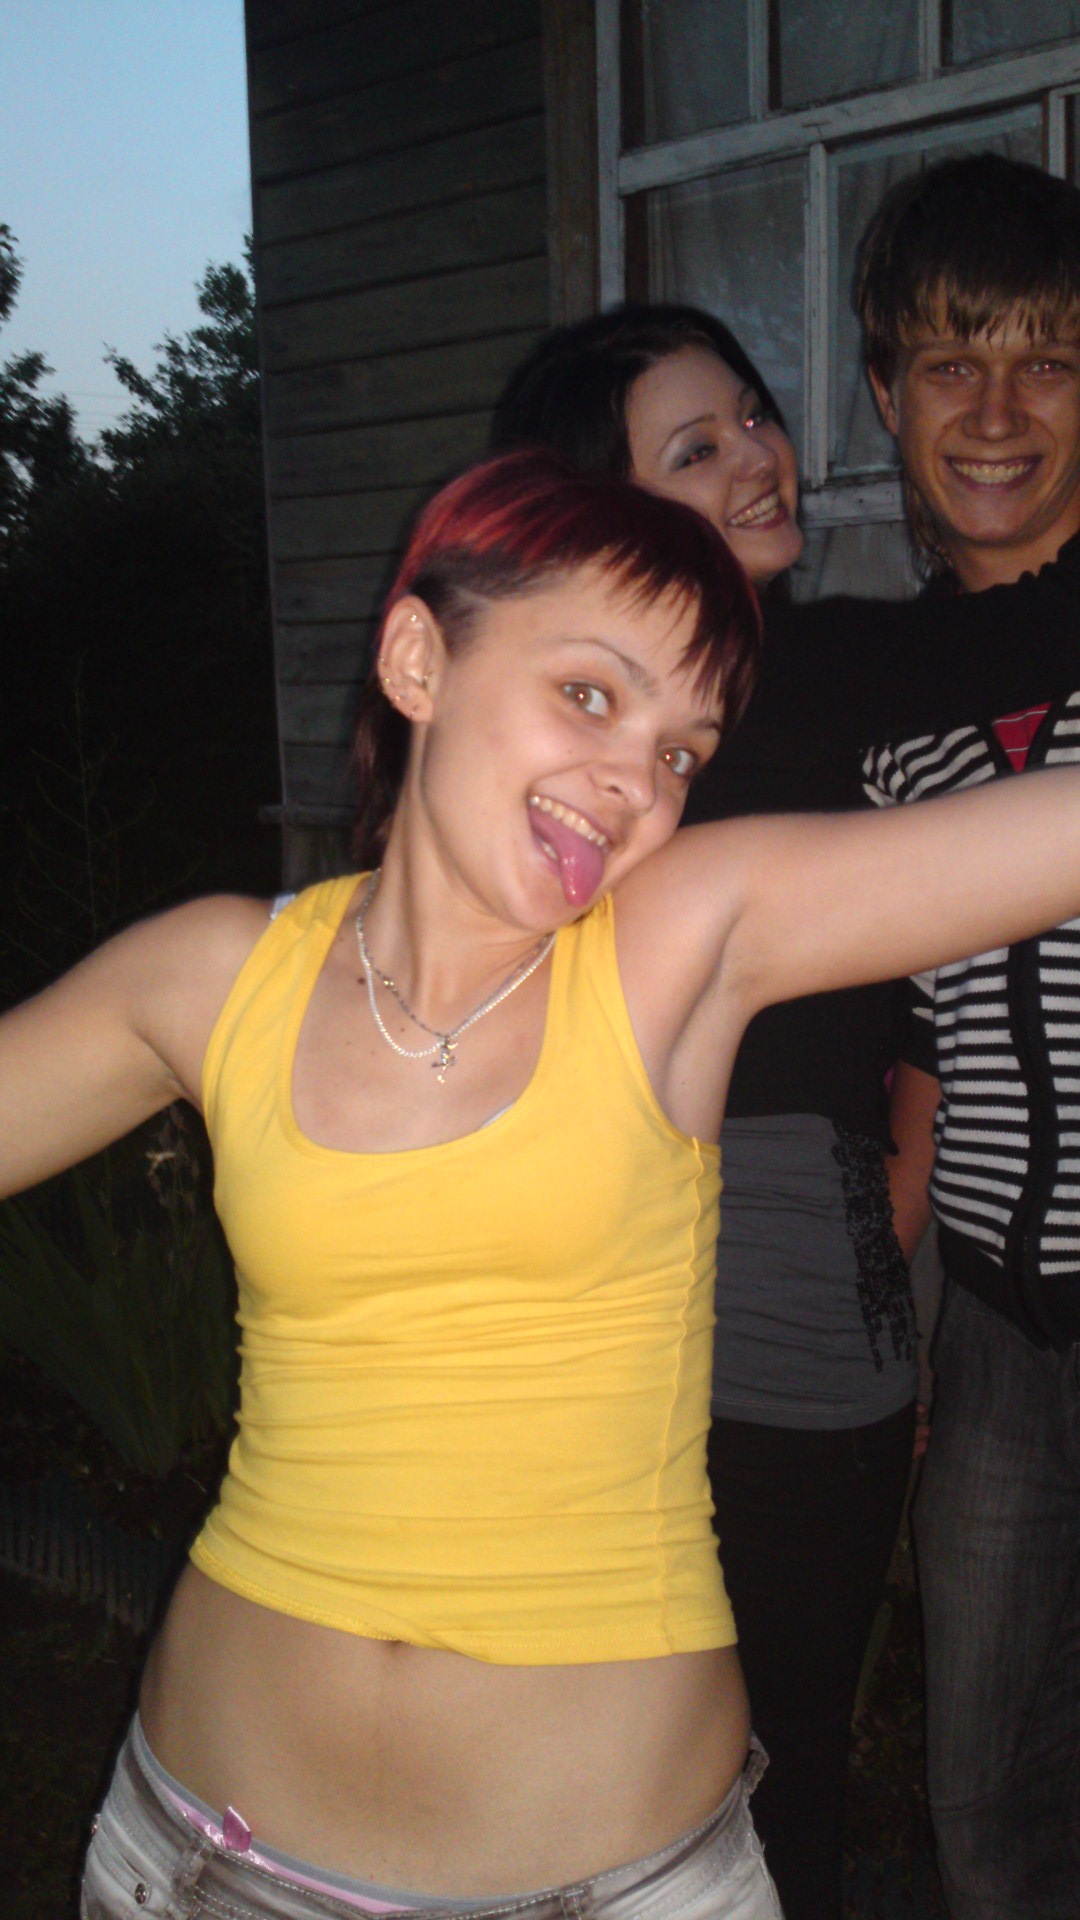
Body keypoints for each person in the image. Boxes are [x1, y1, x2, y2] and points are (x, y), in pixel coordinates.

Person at [6, 454, 1080, 1920]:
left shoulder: (676, 948)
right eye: (590, 694)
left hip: (619, 1883)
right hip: (199, 1860)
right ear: (417, 661)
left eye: (683, 752)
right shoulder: (214, 977)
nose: (637, 782)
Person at [491, 305, 1080, 1920]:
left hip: (800, 1303)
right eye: (698, 448)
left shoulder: (820, 673)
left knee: (762, 1762)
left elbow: (900, 1040)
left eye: (753, 413)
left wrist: (887, 1281)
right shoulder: (634, 704)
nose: (761, 455)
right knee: (644, 1757)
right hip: (626, 1296)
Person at [858, 152, 1080, 1920]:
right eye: (953, 362)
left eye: (1049, 362)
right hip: (999, 1331)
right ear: (888, 393)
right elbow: (917, 1048)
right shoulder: (880, 697)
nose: (997, 413)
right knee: (984, 1791)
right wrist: (903, 1330)